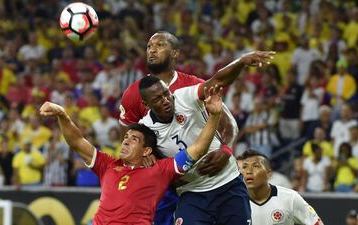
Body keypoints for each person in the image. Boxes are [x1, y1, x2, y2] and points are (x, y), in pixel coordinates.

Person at [120, 30, 274, 224]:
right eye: (149, 46)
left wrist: (226, 148)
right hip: (184, 188)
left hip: (225, 180)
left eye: (160, 45)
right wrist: (146, 158)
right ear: (146, 104)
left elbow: (221, 93)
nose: (152, 50)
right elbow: (129, 142)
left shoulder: (188, 90)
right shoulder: (135, 102)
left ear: (175, 52)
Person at [38, 84, 223, 224]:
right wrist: (62, 115)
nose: (125, 140)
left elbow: (197, 149)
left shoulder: (160, 170)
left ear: (147, 150)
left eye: (134, 139)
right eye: (126, 137)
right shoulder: (108, 165)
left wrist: (214, 116)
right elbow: (77, 142)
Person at [138, 76, 263, 224]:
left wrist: (226, 149)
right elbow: (144, 163)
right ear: (146, 104)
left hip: (228, 182)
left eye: (166, 94)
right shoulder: (144, 130)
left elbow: (218, 80)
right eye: (157, 99)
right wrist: (149, 164)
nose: (165, 100)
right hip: (192, 192)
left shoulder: (184, 97)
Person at [239, 149, 324, 225]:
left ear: (269, 174)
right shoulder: (235, 202)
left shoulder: (290, 198)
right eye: (245, 167)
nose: (248, 171)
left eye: (256, 166)